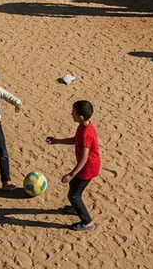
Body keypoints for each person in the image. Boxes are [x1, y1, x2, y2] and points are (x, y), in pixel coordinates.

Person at [46, 99, 100, 232]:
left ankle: (87, 222)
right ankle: (76, 207)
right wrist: (57, 141)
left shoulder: (86, 133)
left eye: (73, 113)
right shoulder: (83, 126)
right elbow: (75, 140)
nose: (71, 114)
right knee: (74, 188)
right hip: (86, 168)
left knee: (74, 195)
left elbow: (84, 157)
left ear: (80, 117)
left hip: (87, 169)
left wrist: (71, 174)